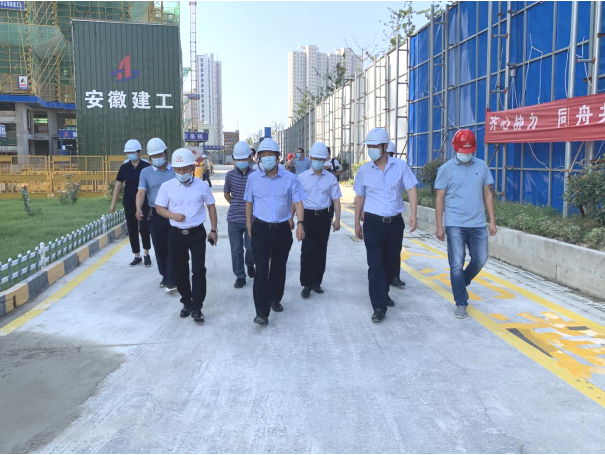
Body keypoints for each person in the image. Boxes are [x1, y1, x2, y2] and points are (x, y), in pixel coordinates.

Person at [353, 128, 418, 323]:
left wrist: (413, 213)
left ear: (384, 146)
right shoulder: (364, 171)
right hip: (372, 223)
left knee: (390, 263)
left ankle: (384, 291)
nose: (371, 149)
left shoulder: (400, 166)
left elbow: (411, 189)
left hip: (394, 223)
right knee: (375, 265)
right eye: (369, 146)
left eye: (375, 146)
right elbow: (359, 197)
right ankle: (378, 307)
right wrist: (356, 223)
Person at [434, 129, 497, 319]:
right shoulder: (446, 169)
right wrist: (439, 225)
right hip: (455, 223)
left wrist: (492, 220)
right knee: (456, 264)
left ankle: (463, 280)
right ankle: (461, 302)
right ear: (455, 148)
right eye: (462, 151)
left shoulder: (482, 165)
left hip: (478, 223)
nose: (465, 154)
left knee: (481, 259)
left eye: (469, 151)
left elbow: (487, 194)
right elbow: (440, 198)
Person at [244, 138, 306, 326]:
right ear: (258, 158)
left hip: (282, 230)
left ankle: (275, 298)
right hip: (260, 229)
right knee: (261, 270)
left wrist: (300, 223)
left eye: (270, 154)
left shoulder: (290, 178)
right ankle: (261, 312)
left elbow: (298, 201)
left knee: (278, 267)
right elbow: (249, 202)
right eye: (263, 155)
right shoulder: (253, 178)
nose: (267, 158)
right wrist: (249, 225)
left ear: (278, 157)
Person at [155, 148, 218, 323]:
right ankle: (186, 302)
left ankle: (197, 306)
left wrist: (213, 230)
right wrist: (172, 215)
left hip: (196, 233)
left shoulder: (202, 186)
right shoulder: (167, 187)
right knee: (180, 270)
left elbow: (211, 207)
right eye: (178, 169)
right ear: (174, 168)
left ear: (192, 167)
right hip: (176, 234)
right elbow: (159, 208)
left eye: (185, 169)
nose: (182, 173)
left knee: (198, 270)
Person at [297, 142, 342, 298]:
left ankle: (317, 282)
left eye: (321, 159)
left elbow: (336, 199)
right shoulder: (302, 178)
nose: (317, 161)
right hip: (307, 217)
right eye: (315, 158)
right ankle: (306, 283)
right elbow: (296, 200)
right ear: (310, 158)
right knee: (307, 250)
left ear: (325, 159)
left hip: (324, 217)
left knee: (321, 250)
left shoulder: (330, 178)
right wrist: (294, 219)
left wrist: (337, 219)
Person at [135, 138, 177, 291]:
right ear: (150, 157)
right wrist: (138, 208)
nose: (157, 158)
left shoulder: (175, 170)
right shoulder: (145, 172)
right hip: (156, 214)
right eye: (154, 156)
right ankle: (165, 275)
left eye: (160, 154)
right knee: (159, 247)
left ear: (165, 153)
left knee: (173, 245)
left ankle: (172, 278)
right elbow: (141, 192)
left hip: (173, 213)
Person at [110, 139, 152, 267]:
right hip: (129, 202)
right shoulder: (124, 167)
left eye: (132, 152)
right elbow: (118, 185)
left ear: (139, 153)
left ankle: (146, 254)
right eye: (128, 153)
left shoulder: (146, 166)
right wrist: (113, 203)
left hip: (144, 202)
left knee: (144, 228)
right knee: (132, 229)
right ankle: (137, 255)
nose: (130, 155)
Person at [224, 141, 256, 289]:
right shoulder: (230, 175)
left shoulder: (256, 175)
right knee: (236, 249)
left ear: (250, 158)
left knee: (251, 248)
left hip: (252, 218)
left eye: (244, 159)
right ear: (234, 159)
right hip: (234, 218)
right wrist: (235, 204)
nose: (242, 161)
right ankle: (240, 276)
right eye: (239, 159)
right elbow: (226, 193)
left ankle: (250, 264)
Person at [384, 140, 406, 289]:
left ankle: (395, 276)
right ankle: (383, 276)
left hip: (395, 216)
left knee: (395, 249)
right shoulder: (372, 169)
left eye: (390, 154)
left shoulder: (399, 168)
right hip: (377, 217)